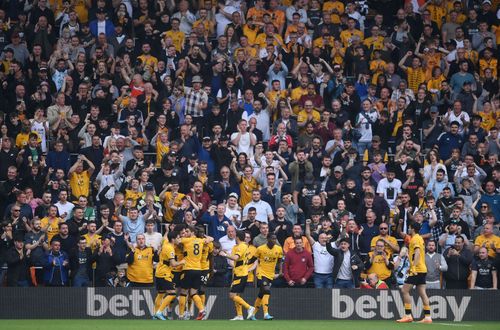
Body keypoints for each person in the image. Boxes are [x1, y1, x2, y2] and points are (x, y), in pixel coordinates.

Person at [397, 222, 432, 324]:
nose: (408, 229)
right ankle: (428, 317)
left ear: (412, 229)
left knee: (404, 290)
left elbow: (417, 253)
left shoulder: (415, 239)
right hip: (422, 269)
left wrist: (414, 268)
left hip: (417, 270)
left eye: (409, 228)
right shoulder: (419, 238)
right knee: (422, 292)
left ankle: (408, 315)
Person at [219, 230, 256, 321]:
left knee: (232, 295)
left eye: (235, 236)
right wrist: (228, 254)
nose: (234, 238)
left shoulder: (242, 246)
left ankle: (249, 307)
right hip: (238, 273)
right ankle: (239, 315)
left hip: (241, 274)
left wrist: (224, 254)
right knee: (236, 295)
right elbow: (235, 260)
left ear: (238, 237)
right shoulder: (241, 246)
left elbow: (235, 258)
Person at [178, 226, 213, 320]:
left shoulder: (186, 240)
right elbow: (211, 239)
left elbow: (176, 241)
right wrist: (206, 238)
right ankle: (202, 310)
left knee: (183, 292)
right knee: (193, 292)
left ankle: (181, 315)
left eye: (187, 231)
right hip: (198, 270)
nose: (186, 233)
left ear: (192, 232)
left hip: (188, 269)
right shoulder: (201, 241)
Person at [249, 233, 283, 320]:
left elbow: (279, 261)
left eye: (275, 239)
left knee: (261, 294)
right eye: (272, 239)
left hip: (270, 274)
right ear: (267, 239)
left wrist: (280, 272)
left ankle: (252, 314)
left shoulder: (278, 249)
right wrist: (244, 264)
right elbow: (253, 259)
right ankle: (266, 314)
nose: (274, 240)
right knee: (266, 290)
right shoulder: (260, 248)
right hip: (261, 273)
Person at [153, 231, 185, 320]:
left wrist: (168, 230)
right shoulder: (170, 249)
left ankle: (155, 314)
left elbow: (165, 238)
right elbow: (173, 264)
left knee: (160, 294)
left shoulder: (166, 243)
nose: (180, 239)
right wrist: (182, 262)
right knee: (172, 293)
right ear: (173, 239)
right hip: (164, 273)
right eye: (178, 238)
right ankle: (159, 312)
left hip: (158, 271)